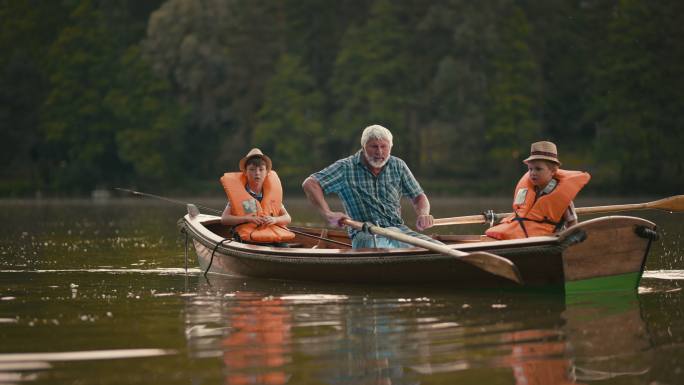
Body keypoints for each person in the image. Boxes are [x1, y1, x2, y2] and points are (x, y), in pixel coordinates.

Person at [302, 124, 440, 248]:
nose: (379, 152)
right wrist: (327, 213)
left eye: (383, 146)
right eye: (374, 146)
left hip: (398, 230)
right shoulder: (345, 168)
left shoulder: (398, 165)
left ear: (390, 147)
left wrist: (423, 214)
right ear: (363, 147)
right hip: (365, 233)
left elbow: (418, 196)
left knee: (437, 247)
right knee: (375, 246)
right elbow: (311, 183)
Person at [485, 141, 590, 240]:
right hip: (524, 237)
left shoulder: (563, 197)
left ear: (553, 171)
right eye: (530, 169)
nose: (533, 173)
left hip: (547, 241)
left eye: (538, 169)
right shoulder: (528, 191)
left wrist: (565, 238)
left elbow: (572, 223)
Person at [220, 148, 294, 246]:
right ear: (245, 172)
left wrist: (274, 220)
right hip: (249, 237)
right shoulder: (240, 193)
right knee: (266, 248)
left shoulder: (271, 193)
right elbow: (224, 219)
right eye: (252, 169)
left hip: (271, 234)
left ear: (267, 172)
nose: (257, 173)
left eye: (261, 169)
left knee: (284, 247)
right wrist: (247, 218)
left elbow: (287, 218)